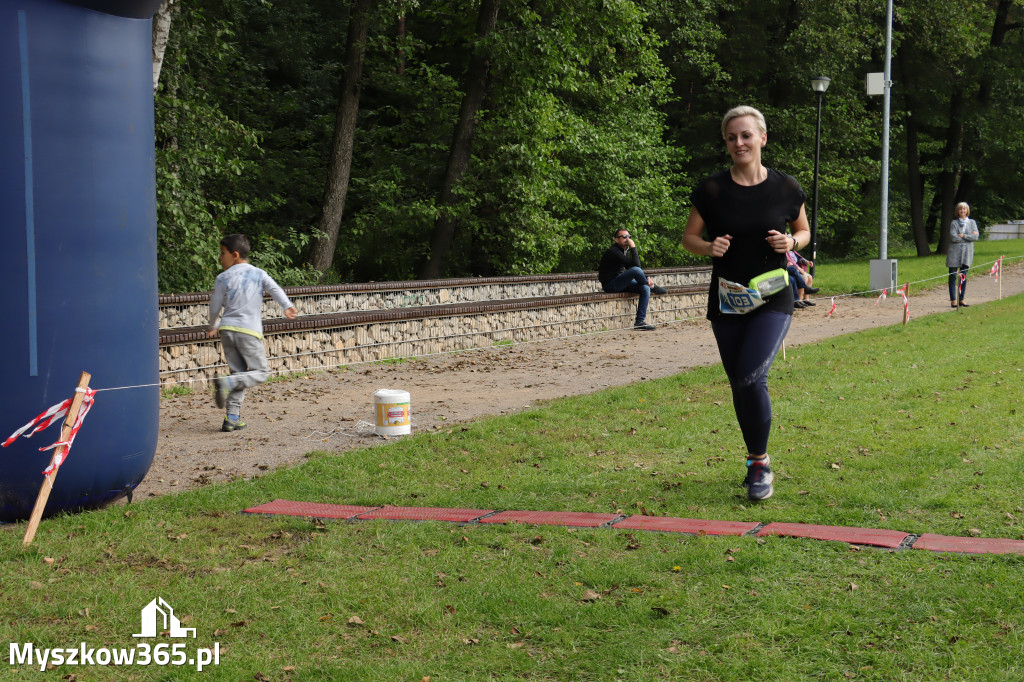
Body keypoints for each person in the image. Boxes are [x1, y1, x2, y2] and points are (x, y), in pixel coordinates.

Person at [682, 105, 810, 501]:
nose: (739, 142)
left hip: (773, 298)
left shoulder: (786, 187)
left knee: (753, 376)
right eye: (732, 137)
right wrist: (709, 246)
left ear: (762, 138)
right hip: (727, 299)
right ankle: (755, 459)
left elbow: (803, 231)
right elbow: (688, 239)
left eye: (746, 135)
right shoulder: (713, 190)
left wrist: (791, 243)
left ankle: (760, 463)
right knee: (739, 380)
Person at [208, 234, 298, 432]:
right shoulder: (258, 274)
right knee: (261, 373)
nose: (219, 257)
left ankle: (232, 417)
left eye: (222, 253)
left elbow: (214, 304)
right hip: (248, 330)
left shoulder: (223, 277)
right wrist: (287, 306)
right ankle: (227, 382)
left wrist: (212, 324)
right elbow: (275, 289)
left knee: (239, 373)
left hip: (227, 330)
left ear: (235, 255)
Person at [598, 229, 667, 331]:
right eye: (624, 237)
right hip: (611, 285)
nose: (627, 239)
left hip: (621, 282)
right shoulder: (614, 252)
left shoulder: (624, 251)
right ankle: (652, 286)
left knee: (644, 288)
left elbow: (632, 266)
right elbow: (636, 267)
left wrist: (646, 277)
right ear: (616, 240)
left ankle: (639, 322)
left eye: (629, 236)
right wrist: (633, 247)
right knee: (636, 271)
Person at [947, 202, 979, 308]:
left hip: (967, 254)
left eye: (964, 209)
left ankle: (961, 299)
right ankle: (953, 300)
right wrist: (968, 237)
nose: (962, 211)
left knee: (963, 277)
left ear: (967, 210)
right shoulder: (954, 223)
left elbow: (976, 237)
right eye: (960, 209)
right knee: (952, 276)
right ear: (957, 211)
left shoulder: (972, 222)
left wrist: (963, 235)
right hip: (954, 253)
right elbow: (953, 237)